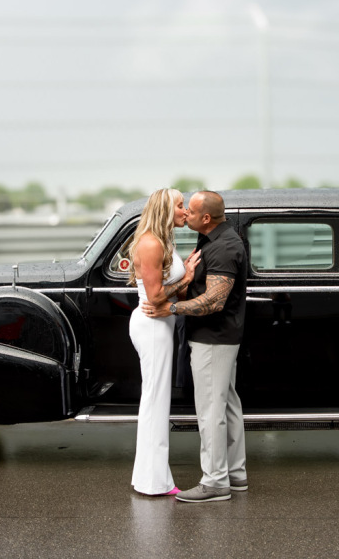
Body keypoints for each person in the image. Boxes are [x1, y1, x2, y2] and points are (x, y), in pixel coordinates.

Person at [144, 190, 248, 503]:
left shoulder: (224, 246)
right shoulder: (213, 238)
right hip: (219, 336)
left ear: (205, 218)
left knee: (210, 409)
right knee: (227, 403)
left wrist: (172, 309)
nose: (185, 213)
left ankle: (215, 482)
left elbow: (215, 300)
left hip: (213, 337)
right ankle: (236, 473)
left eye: (190, 210)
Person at [127, 188, 200, 496]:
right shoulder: (151, 243)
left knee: (156, 401)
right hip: (152, 326)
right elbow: (156, 296)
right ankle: (154, 483)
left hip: (162, 322)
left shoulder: (166, 241)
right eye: (180, 206)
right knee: (155, 403)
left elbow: (173, 295)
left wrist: (184, 280)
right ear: (166, 210)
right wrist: (187, 277)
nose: (185, 211)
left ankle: (148, 478)